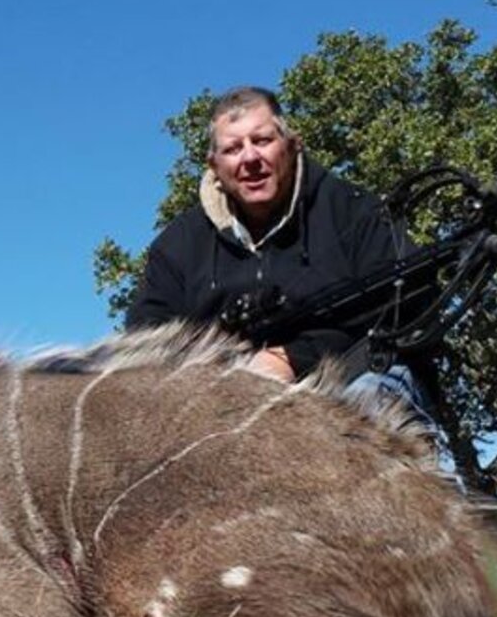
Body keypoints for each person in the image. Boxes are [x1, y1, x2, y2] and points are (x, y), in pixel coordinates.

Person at [125, 86, 434, 411]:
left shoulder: (355, 212)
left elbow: (411, 305)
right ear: (214, 165)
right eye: (232, 148)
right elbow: (147, 333)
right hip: (223, 399)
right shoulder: (178, 244)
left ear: (292, 144)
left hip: (355, 376)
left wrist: (292, 358)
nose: (250, 158)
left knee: (363, 410)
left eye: (262, 141)